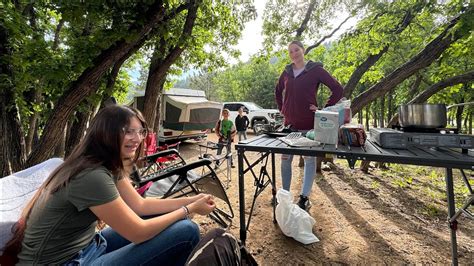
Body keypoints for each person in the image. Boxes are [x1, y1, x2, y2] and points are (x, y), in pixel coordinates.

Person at [4, 105, 216, 265]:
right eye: (127, 131)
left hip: (88, 247)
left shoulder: (106, 162)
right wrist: (188, 210)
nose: (137, 139)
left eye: (140, 131)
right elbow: (138, 233)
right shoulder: (91, 175)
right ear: (105, 133)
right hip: (64, 262)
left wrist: (192, 199)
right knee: (186, 231)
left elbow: (140, 206)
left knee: (166, 220)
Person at [275, 40, 343, 211]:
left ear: (303, 50)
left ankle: (304, 198)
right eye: (290, 51)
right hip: (289, 124)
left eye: (296, 50)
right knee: (285, 159)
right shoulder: (287, 71)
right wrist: (282, 107)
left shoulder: (315, 70)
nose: (294, 54)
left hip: (309, 124)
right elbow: (277, 90)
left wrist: (323, 110)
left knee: (309, 159)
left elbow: (337, 88)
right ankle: (284, 195)